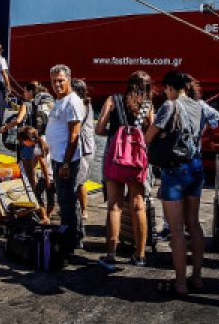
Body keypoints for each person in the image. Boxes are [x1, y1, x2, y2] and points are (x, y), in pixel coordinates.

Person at [146, 70, 206, 297]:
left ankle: (180, 283)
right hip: (196, 167)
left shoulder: (169, 106)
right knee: (194, 223)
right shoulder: (198, 105)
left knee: (176, 229)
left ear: (169, 88)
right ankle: (197, 278)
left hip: (174, 169)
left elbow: (148, 137)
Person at [96, 71, 154, 268]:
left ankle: (111, 255)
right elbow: (152, 131)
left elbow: (99, 129)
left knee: (114, 205)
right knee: (139, 205)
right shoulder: (148, 106)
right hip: (137, 161)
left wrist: (116, 134)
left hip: (115, 159)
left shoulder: (113, 100)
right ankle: (140, 256)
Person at [47, 64, 85, 249]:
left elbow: (74, 135)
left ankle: (71, 240)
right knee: (66, 199)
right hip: (57, 158)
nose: (57, 84)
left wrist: (66, 163)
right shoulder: (60, 100)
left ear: (68, 80)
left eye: (61, 80)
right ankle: (74, 234)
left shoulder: (72, 102)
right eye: (54, 81)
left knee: (67, 201)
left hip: (65, 160)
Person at [18, 125, 55, 223]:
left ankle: (44, 217)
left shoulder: (37, 148)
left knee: (36, 195)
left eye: (23, 141)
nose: (23, 143)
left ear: (29, 139)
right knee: (50, 197)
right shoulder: (43, 139)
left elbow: (43, 164)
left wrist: (46, 179)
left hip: (48, 175)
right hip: (54, 172)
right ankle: (48, 216)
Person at [71, 79, 95, 221]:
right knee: (77, 180)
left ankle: (84, 210)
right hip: (83, 146)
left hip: (83, 147)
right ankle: (79, 209)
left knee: (79, 181)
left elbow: (76, 126)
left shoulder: (81, 105)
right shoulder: (84, 103)